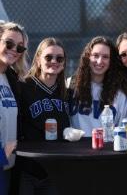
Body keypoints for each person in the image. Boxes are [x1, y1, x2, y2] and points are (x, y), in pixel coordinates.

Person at [18, 37, 70, 195]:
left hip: (55, 170)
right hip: (27, 169)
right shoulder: (22, 86)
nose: (54, 61)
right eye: (48, 57)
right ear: (38, 60)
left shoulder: (66, 92)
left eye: (59, 58)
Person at [67, 36, 127, 136]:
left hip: (106, 149)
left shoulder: (119, 94)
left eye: (105, 57)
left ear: (111, 61)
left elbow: (120, 130)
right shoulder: (70, 84)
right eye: (95, 55)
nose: (99, 61)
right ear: (88, 57)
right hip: (75, 149)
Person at [0, 21, 28, 195]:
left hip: (8, 166)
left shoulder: (12, 78)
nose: (13, 50)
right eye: (9, 43)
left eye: (19, 48)